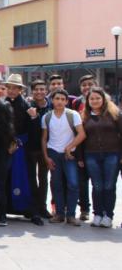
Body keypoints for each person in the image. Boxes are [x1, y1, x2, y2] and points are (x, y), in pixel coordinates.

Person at [4, 74, 43, 225]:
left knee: (29, 179)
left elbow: (34, 132)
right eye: (9, 88)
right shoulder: (1, 104)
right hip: (6, 148)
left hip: (24, 149)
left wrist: (34, 118)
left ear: (20, 89)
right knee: (5, 177)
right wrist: (7, 143)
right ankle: (4, 208)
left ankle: (33, 211)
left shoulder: (27, 106)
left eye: (15, 88)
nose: (12, 91)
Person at [42, 89, 86, 226]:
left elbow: (81, 134)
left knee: (73, 183)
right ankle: (59, 214)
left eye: (62, 99)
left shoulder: (73, 115)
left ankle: (71, 215)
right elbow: (43, 139)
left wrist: (69, 147)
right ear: (52, 100)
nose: (59, 101)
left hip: (69, 154)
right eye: (57, 99)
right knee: (56, 184)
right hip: (53, 152)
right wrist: (46, 157)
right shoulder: (46, 117)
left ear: (66, 101)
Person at [79, 87, 121, 228]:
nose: (95, 101)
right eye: (92, 99)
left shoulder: (114, 114)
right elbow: (80, 138)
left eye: (97, 98)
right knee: (97, 186)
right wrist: (79, 157)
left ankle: (108, 215)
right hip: (91, 155)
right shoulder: (84, 116)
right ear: (88, 101)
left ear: (103, 99)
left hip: (112, 154)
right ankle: (97, 214)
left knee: (109, 186)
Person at [71, 74, 96, 221]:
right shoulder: (76, 102)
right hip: (81, 147)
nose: (87, 87)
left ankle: (100, 211)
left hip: (99, 148)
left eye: (90, 84)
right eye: (84, 85)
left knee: (98, 182)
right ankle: (84, 209)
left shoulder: (103, 101)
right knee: (82, 181)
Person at [27, 79, 52, 218]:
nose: (39, 92)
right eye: (37, 89)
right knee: (31, 178)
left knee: (43, 178)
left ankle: (42, 206)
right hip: (30, 147)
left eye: (42, 89)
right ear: (32, 91)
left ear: (46, 91)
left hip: (46, 148)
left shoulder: (52, 106)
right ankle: (34, 206)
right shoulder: (28, 105)